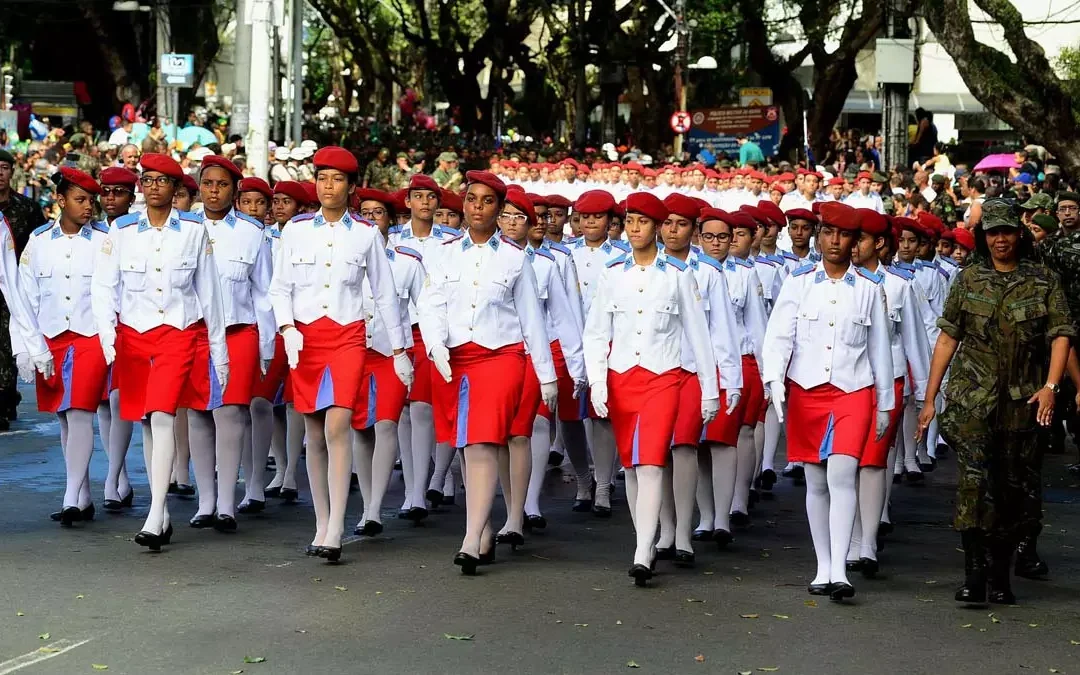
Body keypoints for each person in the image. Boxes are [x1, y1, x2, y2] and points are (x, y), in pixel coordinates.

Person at [917, 199, 1073, 606]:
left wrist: (1052, 387)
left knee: (1011, 490)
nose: (1000, 239)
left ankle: (1000, 575)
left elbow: (1060, 334)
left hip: (1023, 403)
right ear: (983, 237)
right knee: (973, 485)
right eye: (992, 233)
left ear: (1018, 234)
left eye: (1006, 231)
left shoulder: (1043, 279)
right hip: (973, 402)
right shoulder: (969, 280)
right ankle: (974, 575)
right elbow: (948, 337)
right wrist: (930, 397)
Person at [270, 146, 410, 563]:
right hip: (306, 337)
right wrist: (286, 327)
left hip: (349, 336)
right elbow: (280, 287)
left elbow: (384, 294)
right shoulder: (295, 230)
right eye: (322, 178)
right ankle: (321, 519)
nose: (328, 186)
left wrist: (400, 349)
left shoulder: (365, 233)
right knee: (313, 432)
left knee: (338, 426)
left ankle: (335, 527)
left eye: (336, 179)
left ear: (351, 187)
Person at [417, 170, 555, 575]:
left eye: (488, 202)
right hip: (453, 359)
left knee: (481, 443)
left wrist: (546, 376)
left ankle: (469, 538)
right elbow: (431, 304)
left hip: (501, 359)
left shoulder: (515, 257)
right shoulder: (443, 252)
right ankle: (485, 530)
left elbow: (533, 322)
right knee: (466, 445)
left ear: (500, 209)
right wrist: (434, 345)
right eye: (472, 200)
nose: (478, 208)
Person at [91, 152, 229, 551]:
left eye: (161, 181)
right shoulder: (121, 231)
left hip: (178, 332)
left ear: (175, 189)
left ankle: (155, 510)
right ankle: (162, 514)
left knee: (164, 414)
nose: (153, 187)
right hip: (133, 334)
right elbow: (104, 288)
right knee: (149, 421)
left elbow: (210, 293)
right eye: (147, 180)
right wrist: (107, 337)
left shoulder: (193, 230)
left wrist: (218, 350)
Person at [583, 192, 718, 586]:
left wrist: (709, 390)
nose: (635, 228)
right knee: (631, 466)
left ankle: (644, 551)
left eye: (643, 222)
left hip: (664, 377)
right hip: (622, 376)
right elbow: (596, 333)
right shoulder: (612, 273)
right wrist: (597, 382)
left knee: (653, 461)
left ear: (658, 228)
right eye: (630, 221)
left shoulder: (678, 275)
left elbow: (699, 336)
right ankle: (644, 536)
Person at [762, 201, 894, 603]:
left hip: (855, 390)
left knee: (842, 474)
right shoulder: (798, 282)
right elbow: (779, 336)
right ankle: (823, 565)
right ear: (820, 236)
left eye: (844, 235)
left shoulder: (871, 289)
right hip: (806, 389)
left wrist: (885, 403)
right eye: (829, 233)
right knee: (816, 481)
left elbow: (880, 350)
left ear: (856, 242)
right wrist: (774, 380)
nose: (835, 241)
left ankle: (841, 568)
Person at [17, 168, 109, 526]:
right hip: (51, 336)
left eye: (91, 200)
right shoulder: (38, 242)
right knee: (64, 416)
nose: (88, 207)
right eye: (80, 199)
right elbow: (26, 298)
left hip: (92, 336)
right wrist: (26, 347)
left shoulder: (104, 239)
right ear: (60, 201)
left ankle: (71, 496)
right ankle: (82, 494)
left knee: (81, 411)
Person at [845, 208, 931, 577]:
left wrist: (927, 396)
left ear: (878, 244)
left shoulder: (898, 285)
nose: (849, 245)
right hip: (845, 383)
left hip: (888, 381)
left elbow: (915, 341)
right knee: (845, 463)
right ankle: (848, 539)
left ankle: (867, 542)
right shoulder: (832, 282)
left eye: (858, 238)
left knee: (874, 461)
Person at [655, 196, 741, 566]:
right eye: (668, 223)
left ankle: (685, 533)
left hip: (692, 371)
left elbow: (722, 330)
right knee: (656, 454)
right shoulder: (643, 266)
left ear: (694, 230)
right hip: (653, 371)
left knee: (685, 448)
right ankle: (665, 529)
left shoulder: (708, 272)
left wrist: (730, 381)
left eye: (682, 224)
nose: (674, 230)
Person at [495, 188, 577, 544]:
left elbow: (563, 314)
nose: (513, 224)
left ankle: (525, 508)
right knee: (497, 437)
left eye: (521, 218)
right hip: (495, 356)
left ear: (531, 224)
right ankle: (509, 505)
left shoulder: (545, 264)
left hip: (534, 356)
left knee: (528, 429)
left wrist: (577, 365)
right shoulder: (484, 258)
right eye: (507, 216)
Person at [349, 188, 424, 538]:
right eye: (364, 212)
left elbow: (425, 311)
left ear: (391, 221)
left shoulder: (408, 262)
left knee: (386, 425)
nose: (371, 218)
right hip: (352, 352)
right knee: (360, 429)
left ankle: (375, 508)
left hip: (393, 353)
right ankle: (366, 503)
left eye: (378, 213)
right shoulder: (345, 255)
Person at [567, 190, 630, 514]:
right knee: (569, 418)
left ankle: (603, 486)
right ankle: (582, 479)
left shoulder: (622, 254)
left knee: (602, 416)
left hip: (610, 342)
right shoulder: (566, 254)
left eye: (597, 217)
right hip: (571, 343)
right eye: (584, 217)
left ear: (610, 221)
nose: (590, 222)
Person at [95, 167, 140, 511]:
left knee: (118, 399)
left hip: (130, 325)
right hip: (92, 325)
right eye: (105, 192)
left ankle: (113, 478)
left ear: (131, 194)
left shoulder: (138, 229)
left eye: (118, 192)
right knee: (100, 405)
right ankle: (120, 476)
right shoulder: (92, 231)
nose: (110, 199)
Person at [0, 148, 48, 427]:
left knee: (9, 344)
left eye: (4, 167)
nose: (0, 173)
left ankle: (5, 399)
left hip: (16, 287)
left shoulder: (26, 208)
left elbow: (39, 245)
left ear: (12, 172)